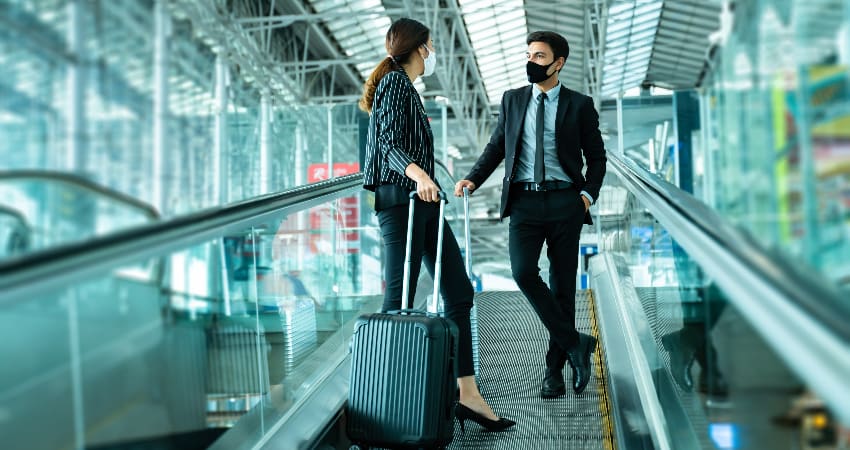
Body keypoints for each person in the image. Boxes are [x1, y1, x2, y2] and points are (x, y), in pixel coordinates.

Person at [360, 18, 514, 431]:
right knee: (399, 299)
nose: (432, 55)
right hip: (402, 203)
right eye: (430, 47)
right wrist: (420, 175)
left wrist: (424, 182)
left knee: (459, 292)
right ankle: (386, 401)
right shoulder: (394, 84)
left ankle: (468, 394)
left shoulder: (405, 88)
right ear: (422, 48)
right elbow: (389, 142)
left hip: (422, 204)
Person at [455, 31, 607, 398]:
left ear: (559, 63)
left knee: (563, 287)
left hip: (564, 202)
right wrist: (473, 178)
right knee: (522, 272)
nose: (531, 61)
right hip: (524, 201)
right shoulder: (513, 100)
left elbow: (597, 157)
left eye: (539, 56)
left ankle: (553, 371)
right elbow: (497, 146)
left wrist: (586, 195)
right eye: (529, 54)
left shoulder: (579, 105)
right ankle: (575, 343)